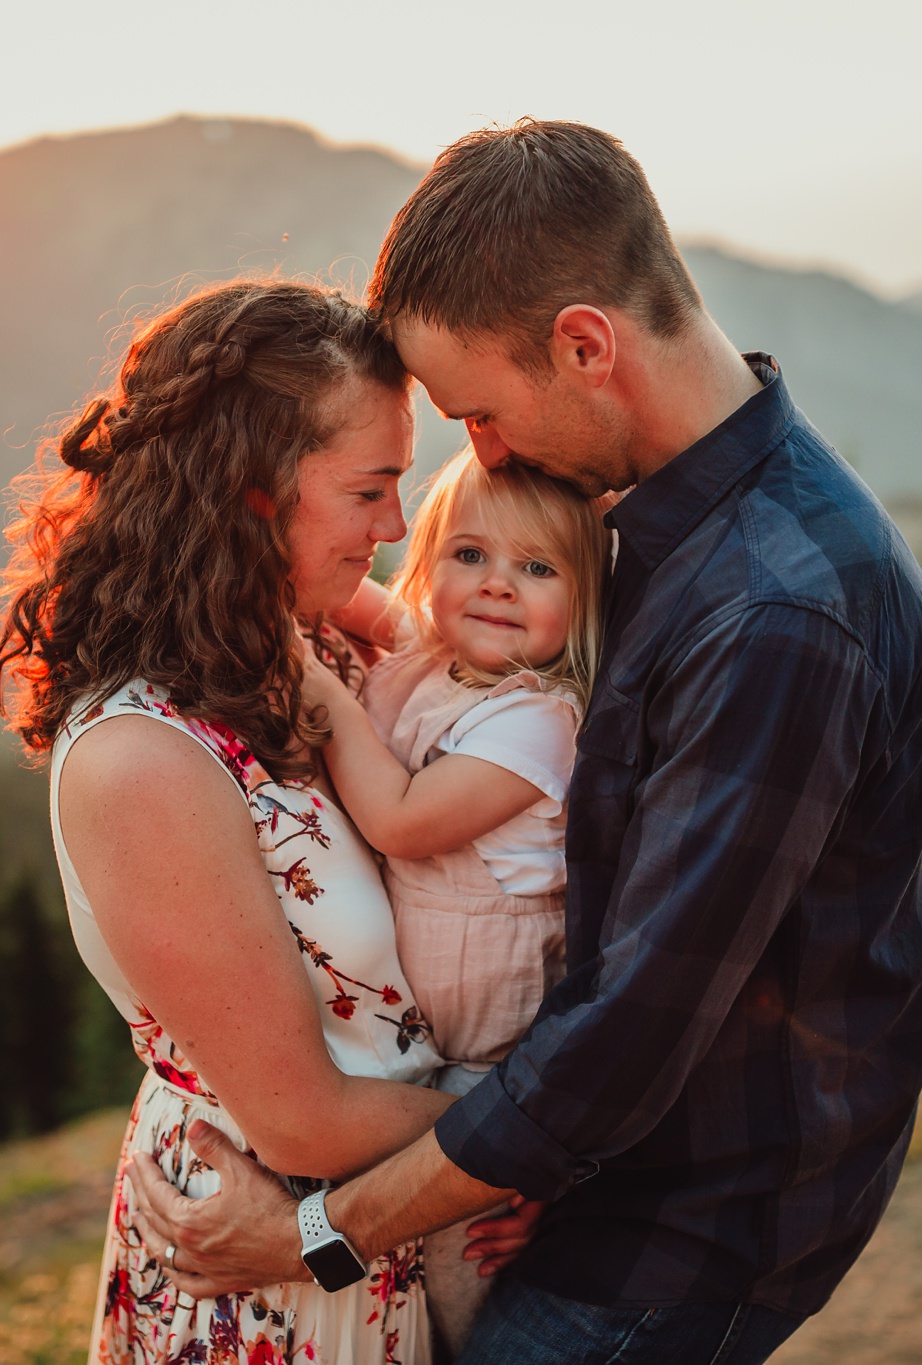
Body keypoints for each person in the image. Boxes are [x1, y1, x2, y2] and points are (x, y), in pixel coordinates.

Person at [126, 121, 922, 1365]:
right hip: (593, 1176)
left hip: (671, 1231)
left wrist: (316, 1234)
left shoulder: (773, 615)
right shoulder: (666, 522)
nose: (487, 459)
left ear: (583, 344)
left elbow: (624, 1036)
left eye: (483, 415)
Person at [0, 278, 537, 1365]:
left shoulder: (310, 632)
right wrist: (551, 1144)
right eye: (369, 489)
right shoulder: (144, 759)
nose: (393, 530)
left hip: (391, 1218)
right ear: (249, 492)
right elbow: (307, 1119)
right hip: (260, 1265)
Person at [302, 447, 611, 1352]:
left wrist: (324, 692)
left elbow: (399, 820)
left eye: (538, 568)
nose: (497, 585)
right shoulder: (422, 655)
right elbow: (351, 601)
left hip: (488, 1057)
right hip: (416, 1045)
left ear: (584, 602)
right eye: (469, 554)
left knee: (454, 1265)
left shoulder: (536, 722)